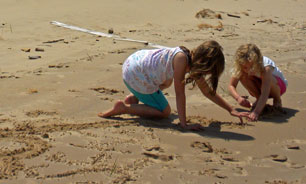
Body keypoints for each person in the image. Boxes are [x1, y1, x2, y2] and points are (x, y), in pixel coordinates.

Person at [98, 40, 244, 130]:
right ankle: (124, 108)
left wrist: (230, 109)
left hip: (133, 64)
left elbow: (208, 92)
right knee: (165, 111)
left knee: (166, 81)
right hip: (136, 75)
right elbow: (180, 94)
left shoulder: (186, 56)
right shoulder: (181, 60)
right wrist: (184, 124)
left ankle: (134, 97)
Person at [228, 43, 287, 121]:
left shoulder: (266, 66)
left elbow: (265, 92)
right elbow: (231, 86)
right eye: (245, 67)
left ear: (257, 62)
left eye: (252, 67)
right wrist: (238, 98)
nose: (248, 70)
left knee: (270, 79)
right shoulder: (240, 67)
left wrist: (256, 112)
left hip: (278, 87)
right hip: (259, 87)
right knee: (242, 74)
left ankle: (277, 100)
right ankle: (259, 98)